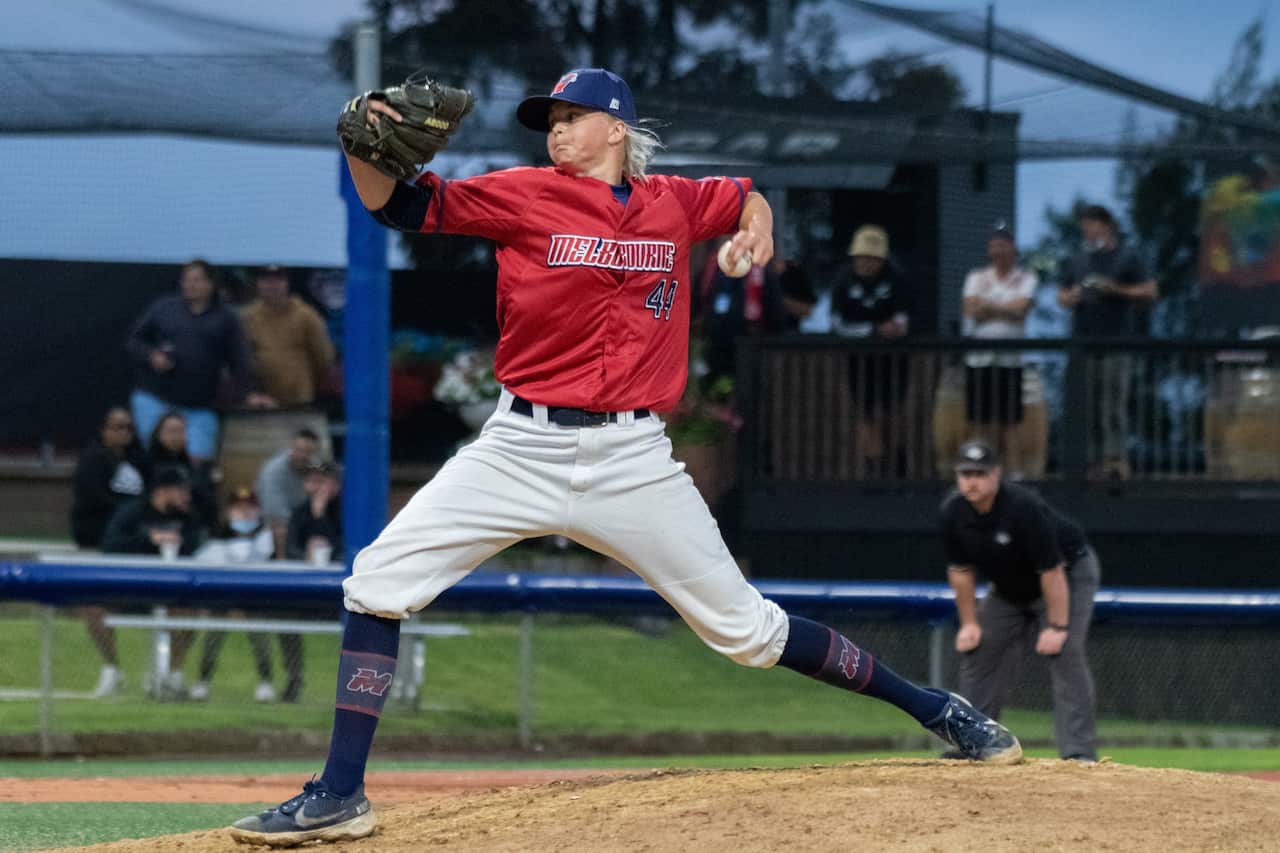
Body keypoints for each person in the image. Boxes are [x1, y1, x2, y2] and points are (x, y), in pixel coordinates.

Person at [229, 66, 1021, 847]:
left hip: (632, 457)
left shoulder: (672, 201)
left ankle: (939, 710)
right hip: (520, 445)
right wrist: (361, 145)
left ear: (616, 128)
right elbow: (395, 204)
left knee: (749, 632)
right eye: (550, 118)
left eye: (571, 116)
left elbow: (744, 191)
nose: (556, 129)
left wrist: (759, 224)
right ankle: (339, 793)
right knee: (377, 582)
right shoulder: (523, 191)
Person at [940, 440, 1100, 761]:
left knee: (1066, 652)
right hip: (1010, 587)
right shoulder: (954, 512)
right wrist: (969, 623)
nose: (972, 481)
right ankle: (973, 744)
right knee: (980, 650)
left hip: (1066, 575)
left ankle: (1079, 753)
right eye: (965, 473)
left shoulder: (1021, 507)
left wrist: (1056, 625)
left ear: (996, 475)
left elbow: (1052, 570)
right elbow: (960, 571)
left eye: (980, 473)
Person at [126, 258, 275, 464]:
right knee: (156, 460)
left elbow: (239, 360)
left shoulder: (226, 318)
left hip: (199, 406)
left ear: (211, 284)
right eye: (186, 280)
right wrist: (151, 355)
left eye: (197, 280)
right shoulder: (164, 308)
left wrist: (248, 393)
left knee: (198, 463)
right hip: (155, 399)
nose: (190, 285)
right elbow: (134, 341)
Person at [1057, 204, 1158, 480]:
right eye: (1084, 227)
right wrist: (1074, 295)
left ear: (1106, 225)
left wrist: (1115, 289)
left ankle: (1116, 459)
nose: (1087, 231)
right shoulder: (1077, 260)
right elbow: (1061, 296)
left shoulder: (1128, 257)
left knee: (1113, 404)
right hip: (1084, 343)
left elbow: (1150, 291)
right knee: (1088, 404)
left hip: (1117, 341)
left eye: (1091, 225)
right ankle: (1091, 462)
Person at [101, 465, 208, 698]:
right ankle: (112, 669)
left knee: (188, 611)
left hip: (171, 590)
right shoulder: (132, 512)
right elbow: (110, 545)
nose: (186, 497)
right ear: (164, 491)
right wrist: (148, 538)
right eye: (182, 491)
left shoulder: (188, 518)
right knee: (92, 607)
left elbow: (197, 549)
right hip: (131, 588)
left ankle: (172, 675)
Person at [69, 406, 147, 698]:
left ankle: (158, 673)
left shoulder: (138, 461)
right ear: (104, 430)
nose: (124, 433)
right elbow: (91, 499)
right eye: (118, 427)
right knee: (94, 608)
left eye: (128, 427)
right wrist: (127, 515)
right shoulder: (91, 460)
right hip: (96, 547)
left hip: (132, 550)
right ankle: (112, 668)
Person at [960, 226, 1043, 478]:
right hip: (979, 357)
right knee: (979, 419)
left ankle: (1014, 471)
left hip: (1010, 359)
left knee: (1010, 420)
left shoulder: (1027, 278)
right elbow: (970, 308)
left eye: (1003, 245)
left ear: (1013, 249)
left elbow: (1021, 310)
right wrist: (1004, 308)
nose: (998, 250)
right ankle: (982, 468)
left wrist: (988, 307)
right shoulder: (976, 277)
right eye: (994, 245)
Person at [830, 224, 912, 477]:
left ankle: (897, 469)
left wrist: (895, 329)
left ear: (881, 259)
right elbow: (836, 322)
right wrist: (873, 330)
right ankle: (873, 470)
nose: (865, 262)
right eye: (861, 257)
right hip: (859, 360)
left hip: (894, 360)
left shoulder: (897, 278)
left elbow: (904, 320)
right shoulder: (843, 279)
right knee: (866, 415)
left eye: (871, 257)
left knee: (892, 413)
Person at [191, 486, 279, 703]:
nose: (244, 514)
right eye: (238, 509)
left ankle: (265, 681)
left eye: (249, 509)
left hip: (256, 599)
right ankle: (203, 681)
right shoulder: (215, 537)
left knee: (260, 635)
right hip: (222, 598)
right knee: (213, 634)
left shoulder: (268, 540)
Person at [240, 265, 337, 407]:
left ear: (287, 283)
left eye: (278, 280)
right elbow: (242, 358)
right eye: (266, 281)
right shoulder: (248, 317)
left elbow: (323, 357)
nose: (272, 286)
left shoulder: (307, 315)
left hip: (300, 398)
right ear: (258, 284)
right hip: (261, 401)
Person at [145, 411, 220, 532]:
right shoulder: (146, 464)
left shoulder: (195, 466)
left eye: (180, 431)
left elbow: (206, 500)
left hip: (190, 524)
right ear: (158, 434)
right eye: (170, 431)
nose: (175, 436)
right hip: (154, 524)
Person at [256, 429, 323, 557]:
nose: (303, 455)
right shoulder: (273, 471)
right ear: (291, 446)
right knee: (280, 527)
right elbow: (276, 513)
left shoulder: (317, 468)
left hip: (304, 521)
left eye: (308, 452)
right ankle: (282, 563)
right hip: (271, 525)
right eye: (299, 450)